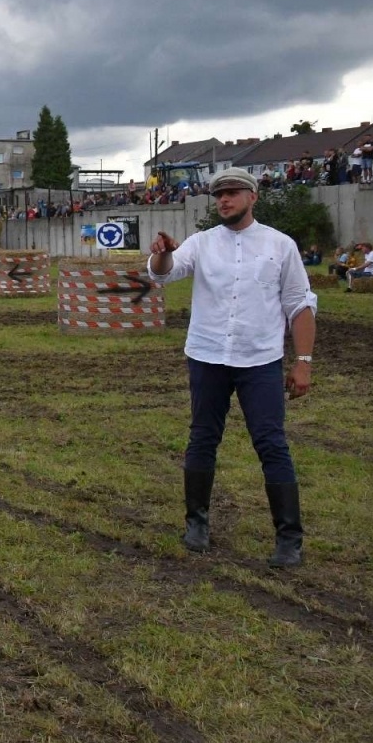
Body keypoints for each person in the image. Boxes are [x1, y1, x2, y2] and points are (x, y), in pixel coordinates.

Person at [147, 167, 317, 568]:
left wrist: (304, 362)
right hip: (208, 356)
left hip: (260, 360)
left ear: (252, 197)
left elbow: (299, 304)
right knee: (203, 437)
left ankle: (289, 538)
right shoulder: (201, 243)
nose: (224, 199)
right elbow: (163, 274)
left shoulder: (280, 245)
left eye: (233, 193)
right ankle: (196, 524)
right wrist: (163, 252)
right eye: (219, 194)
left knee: (271, 443)